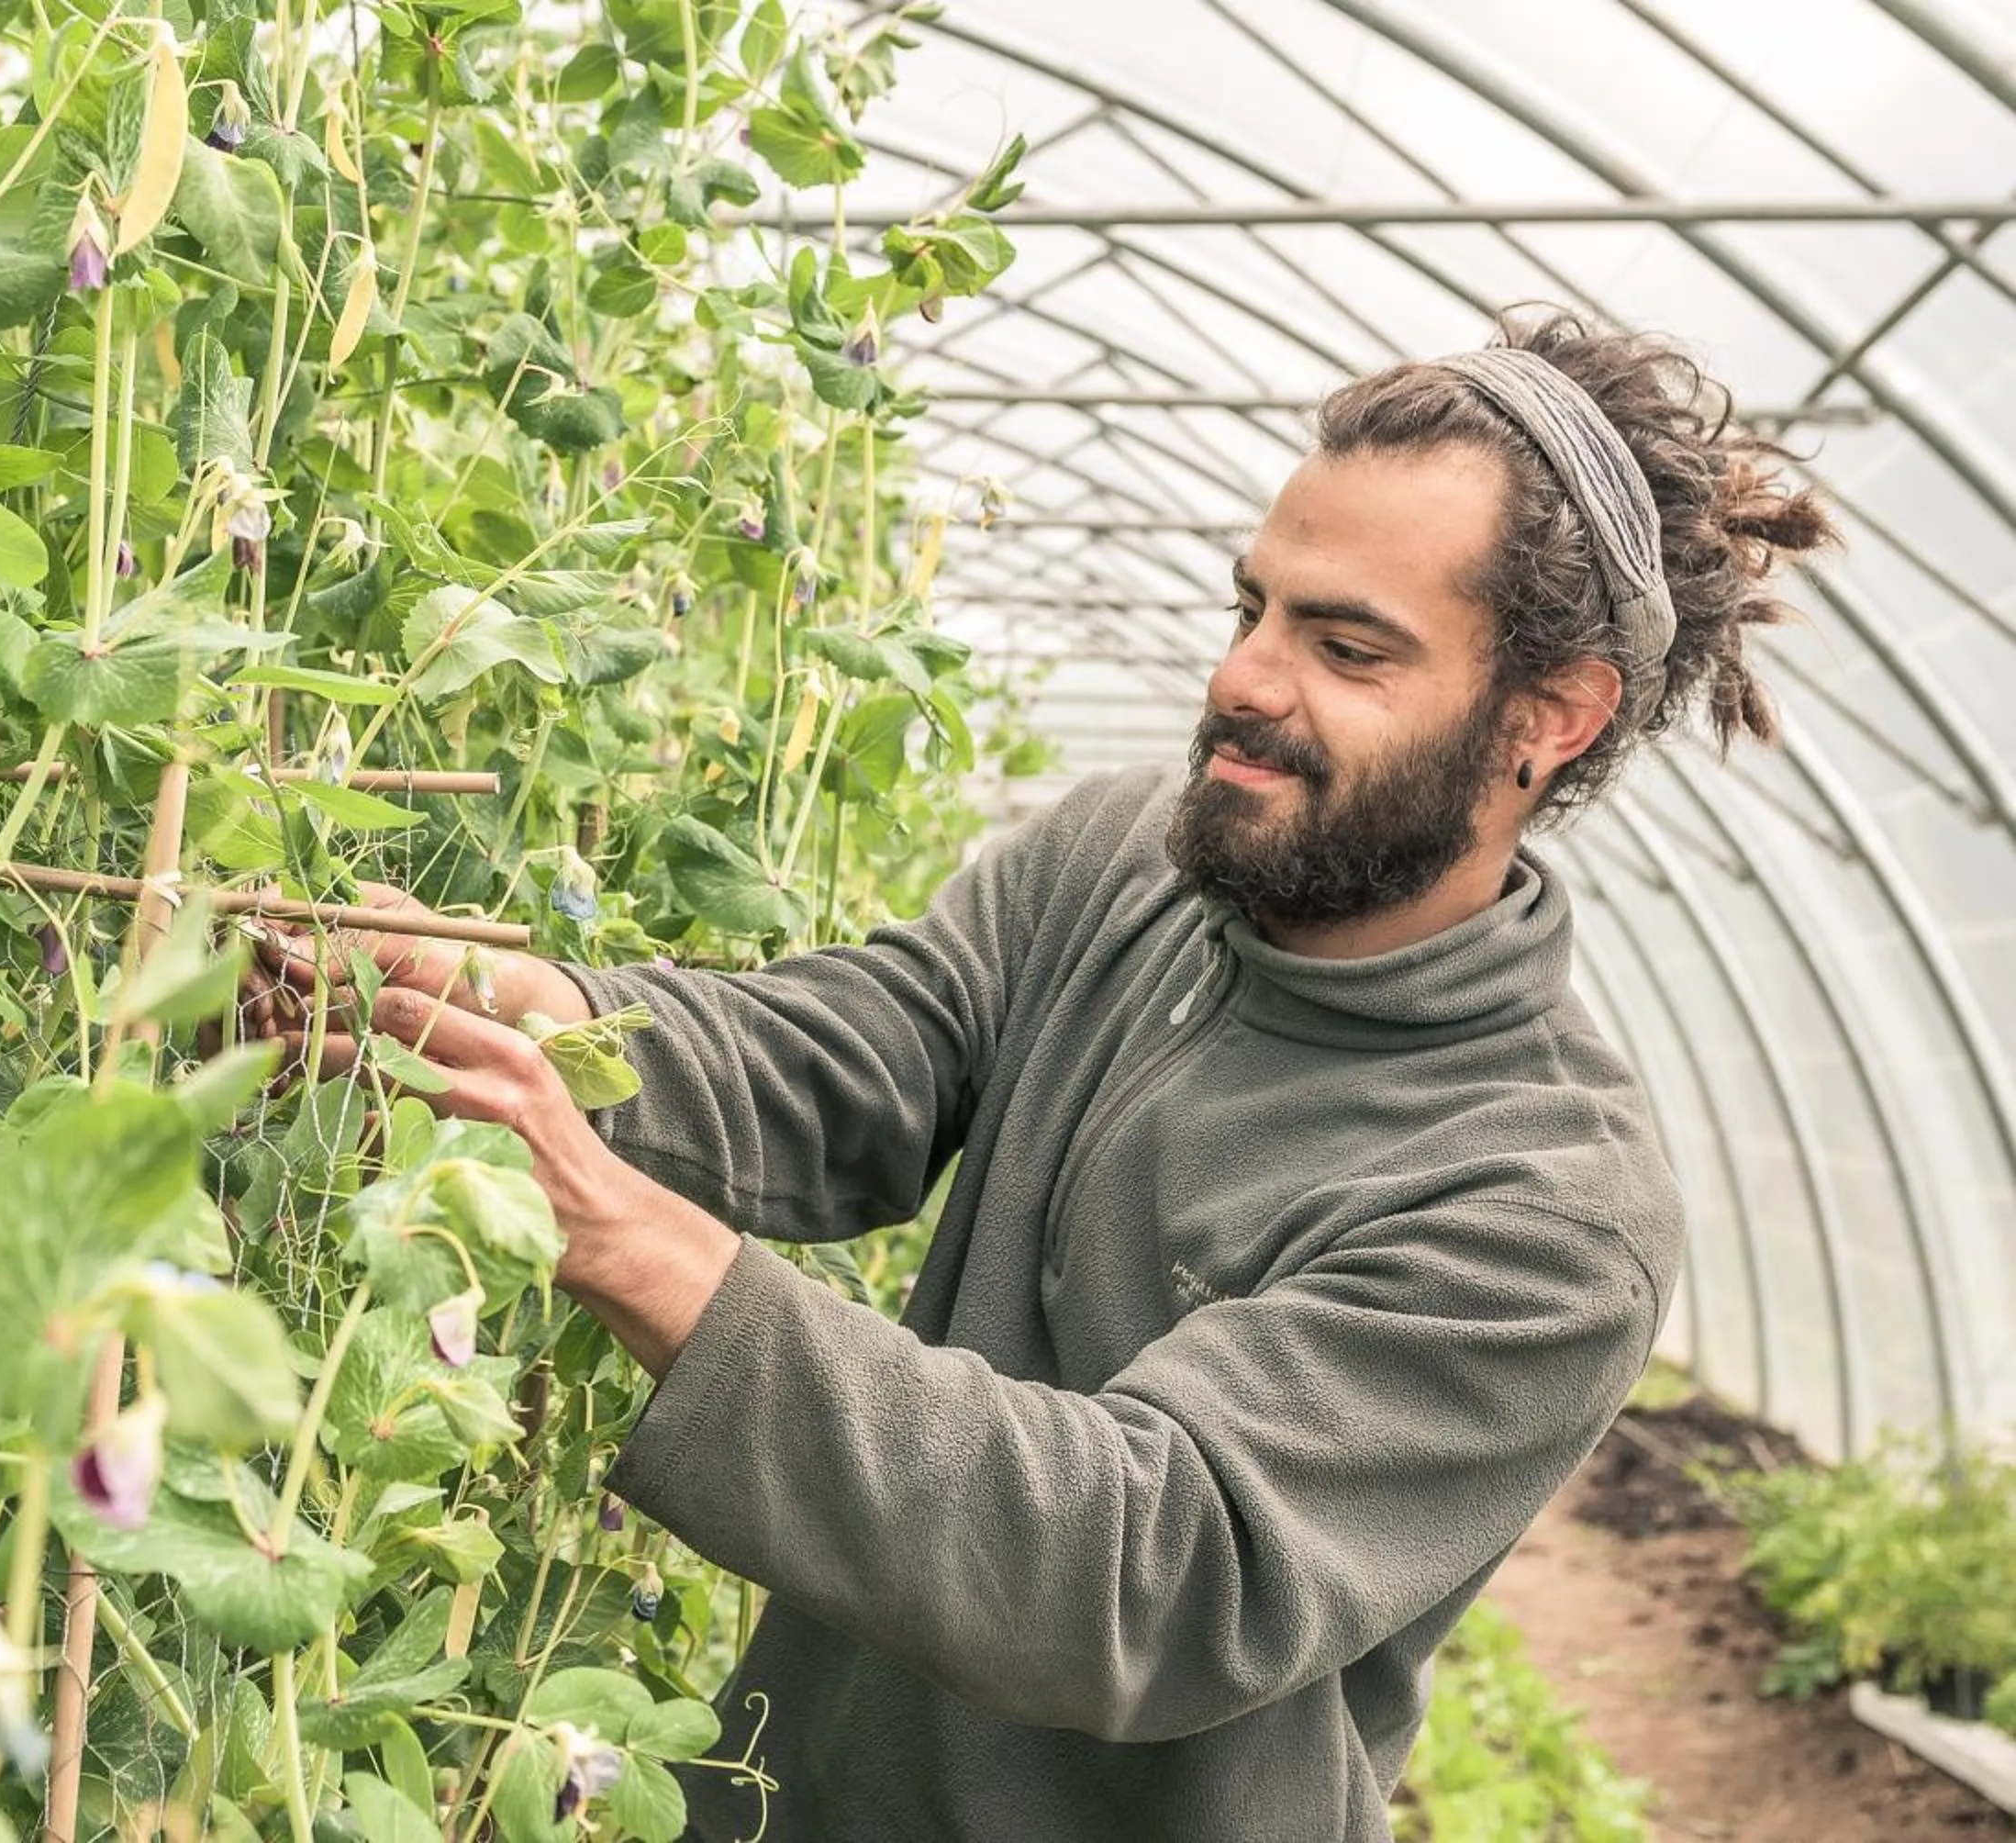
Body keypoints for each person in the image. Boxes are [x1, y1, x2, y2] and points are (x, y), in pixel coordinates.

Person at [244, 307, 1835, 1841]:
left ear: (1547, 719)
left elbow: (1144, 1568)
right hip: (798, 1794)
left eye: (1347, 648)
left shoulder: (1544, 1202)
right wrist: (538, 1009)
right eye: (1253, 609)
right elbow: (862, 1050)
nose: (1247, 680)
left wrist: (619, 1234)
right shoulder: (1132, 868)